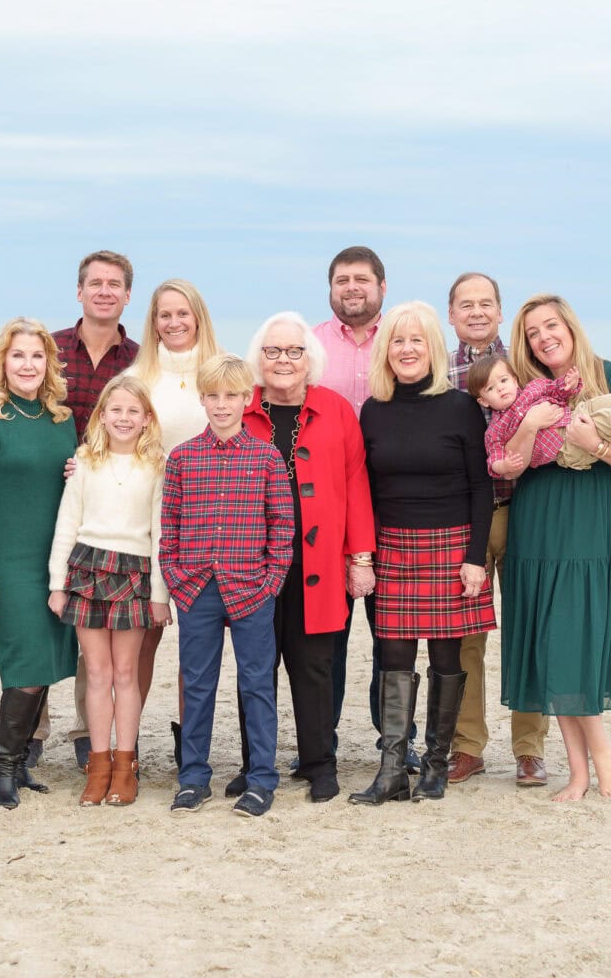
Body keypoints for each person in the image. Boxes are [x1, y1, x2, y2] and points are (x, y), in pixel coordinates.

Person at [499, 295, 611, 802]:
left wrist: (596, 446)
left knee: (579, 641)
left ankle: (600, 758)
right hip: (539, 525)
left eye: (550, 326)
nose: (544, 337)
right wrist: (529, 424)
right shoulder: (526, 390)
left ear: (570, 327)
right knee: (552, 643)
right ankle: (580, 772)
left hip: (596, 525)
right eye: (533, 333)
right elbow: (508, 462)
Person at [227, 312, 375, 804]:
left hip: (320, 565)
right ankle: (255, 763)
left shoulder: (335, 409)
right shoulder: (240, 410)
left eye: (294, 351)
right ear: (258, 359)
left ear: (310, 358)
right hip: (253, 567)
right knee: (256, 667)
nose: (284, 361)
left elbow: (355, 484)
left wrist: (361, 557)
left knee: (315, 666)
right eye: (273, 352)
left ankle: (319, 764)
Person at [352, 301, 495, 805]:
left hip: (451, 545)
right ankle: (392, 768)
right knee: (392, 654)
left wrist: (475, 556)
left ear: (432, 347)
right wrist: (362, 555)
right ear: (385, 350)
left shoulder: (459, 407)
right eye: (397, 340)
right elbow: (361, 488)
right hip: (392, 545)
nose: (406, 349)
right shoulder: (373, 409)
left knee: (444, 654)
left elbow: (482, 487)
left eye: (416, 340)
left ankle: (435, 765)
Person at [161, 354, 294, 818]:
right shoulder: (181, 459)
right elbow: (170, 526)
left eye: (231, 396)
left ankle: (260, 779)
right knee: (197, 685)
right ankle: (194, 777)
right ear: (202, 399)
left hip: (252, 591)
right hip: (197, 590)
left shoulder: (267, 457)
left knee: (256, 684)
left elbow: (282, 525)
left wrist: (272, 580)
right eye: (213, 396)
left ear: (246, 399)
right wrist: (176, 579)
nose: (222, 405)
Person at [0, 318, 80, 808]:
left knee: (47, 666)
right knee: (25, 666)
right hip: (7, 566)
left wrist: (79, 469)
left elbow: (72, 489)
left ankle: (21, 763)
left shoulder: (62, 420)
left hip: (55, 563)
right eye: (17, 356)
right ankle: (4, 768)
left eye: (36, 356)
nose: (28, 365)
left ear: (48, 363)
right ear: (2, 364)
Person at [442, 272, 549, 787]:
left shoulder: (525, 367)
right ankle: (468, 746)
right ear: (452, 314)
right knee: (466, 634)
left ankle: (529, 748)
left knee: (529, 629)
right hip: (471, 520)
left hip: (528, 511)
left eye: (486, 303)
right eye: (467, 304)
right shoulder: (441, 372)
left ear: (501, 311)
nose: (477, 312)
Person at [311, 246, 413, 771]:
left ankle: (395, 741)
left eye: (362, 280)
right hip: (325, 508)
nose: (352, 288)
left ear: (382, 286)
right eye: (342, 280)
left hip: (393, 503)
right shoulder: (310, 345)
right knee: (326, 634)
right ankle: (319, 742)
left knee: (392, 630)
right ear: (331, 287)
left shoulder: (401, 341)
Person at [48, 376, 171, 807]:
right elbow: (66, 523)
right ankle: (97, 765)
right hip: (87, 570)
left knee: (125, 674)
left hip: (135, 574)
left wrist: (160, 594)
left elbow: (160, 534)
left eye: (133, 411)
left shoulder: (157, 466)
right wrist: (57, 584)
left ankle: (125, 763)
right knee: (96, 674)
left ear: (146, 420)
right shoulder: (84, 462)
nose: (123, 418)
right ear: (102, 416)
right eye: (115, 410)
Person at [123, 278, 223, 769]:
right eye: (164, 314)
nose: (174, 322)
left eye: (182, 313)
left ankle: (192, 745)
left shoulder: (221, 371)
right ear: (153, 321)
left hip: (209, 524)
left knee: (196, 647)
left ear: (198, 316)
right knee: (143, 637)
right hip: (146, 521)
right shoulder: (139, 375)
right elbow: (114, 437)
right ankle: (128, 743)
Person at [51, 251, 141, 770]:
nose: (104, 292)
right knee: (50, 607)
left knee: (98, 626)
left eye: (115, 285)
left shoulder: (137, 356)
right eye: (95, 283)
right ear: (79, 290)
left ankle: (93, 736)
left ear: (128, 295)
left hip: (111, 504)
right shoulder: (53, 349)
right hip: (54, 490)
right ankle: (33, 728)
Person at [469, 356, 611, 474]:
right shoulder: (496, 429)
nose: (500, 389)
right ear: (484, 401)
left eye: (503, 381)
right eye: (490, 388)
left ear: (514, 380)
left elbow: (558, 391)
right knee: (605, 421)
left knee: (609, 401)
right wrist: (503, 465)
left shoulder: (534, 388)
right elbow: (495, 456)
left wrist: (570, 384)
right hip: (566, 447)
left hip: (575, 415)